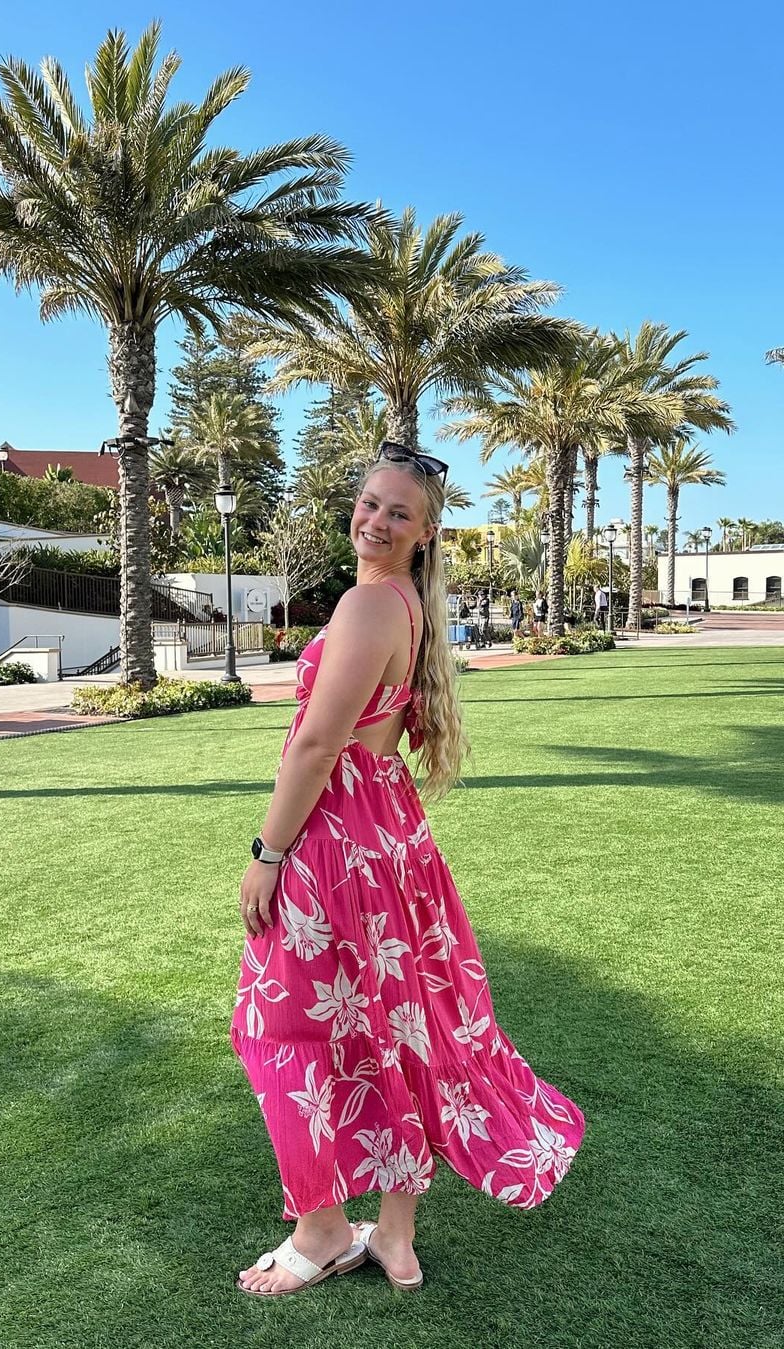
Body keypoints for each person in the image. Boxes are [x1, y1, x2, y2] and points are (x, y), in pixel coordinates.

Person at [232, 442, 585, 1298]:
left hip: (336, 841)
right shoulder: (407, 605)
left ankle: (321, 1231)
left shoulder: (367, 605)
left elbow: (319, 744)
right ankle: (393, 1235)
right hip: (387, 835)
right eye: (370, 502)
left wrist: (267, 854)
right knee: (397, 1028)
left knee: (277, 1027)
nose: (377, 520)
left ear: (426, 533)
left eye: (400, 512)